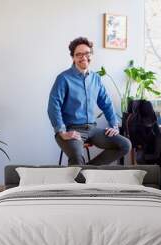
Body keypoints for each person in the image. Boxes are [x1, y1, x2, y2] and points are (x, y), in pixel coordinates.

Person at [47, 37, 131, 165]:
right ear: (73, 57)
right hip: (72, 129)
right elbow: (53, 106)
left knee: (125, 145)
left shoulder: (95, 78)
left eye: (86, 53)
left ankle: (89, 169)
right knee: (76, 156)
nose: (83, 57)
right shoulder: (63, 78)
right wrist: (62, 132)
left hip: (92, 129)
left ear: (91, 55)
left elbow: (106, 103)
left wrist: (114, 124)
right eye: (78, 54)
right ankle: (80, 177)